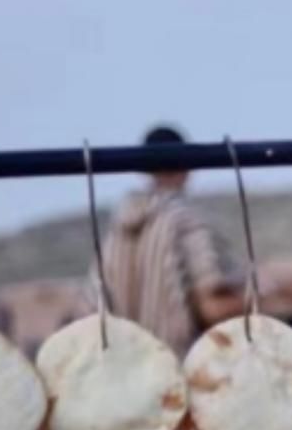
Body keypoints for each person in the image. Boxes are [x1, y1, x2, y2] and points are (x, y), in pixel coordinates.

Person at [101, 124, 244, 356]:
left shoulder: (116, 230)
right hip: (173, 370)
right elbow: (211, 307)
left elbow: (92, 306)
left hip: (123, 369)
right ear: (188, 167)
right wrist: (263, 302)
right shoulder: (184, 222)